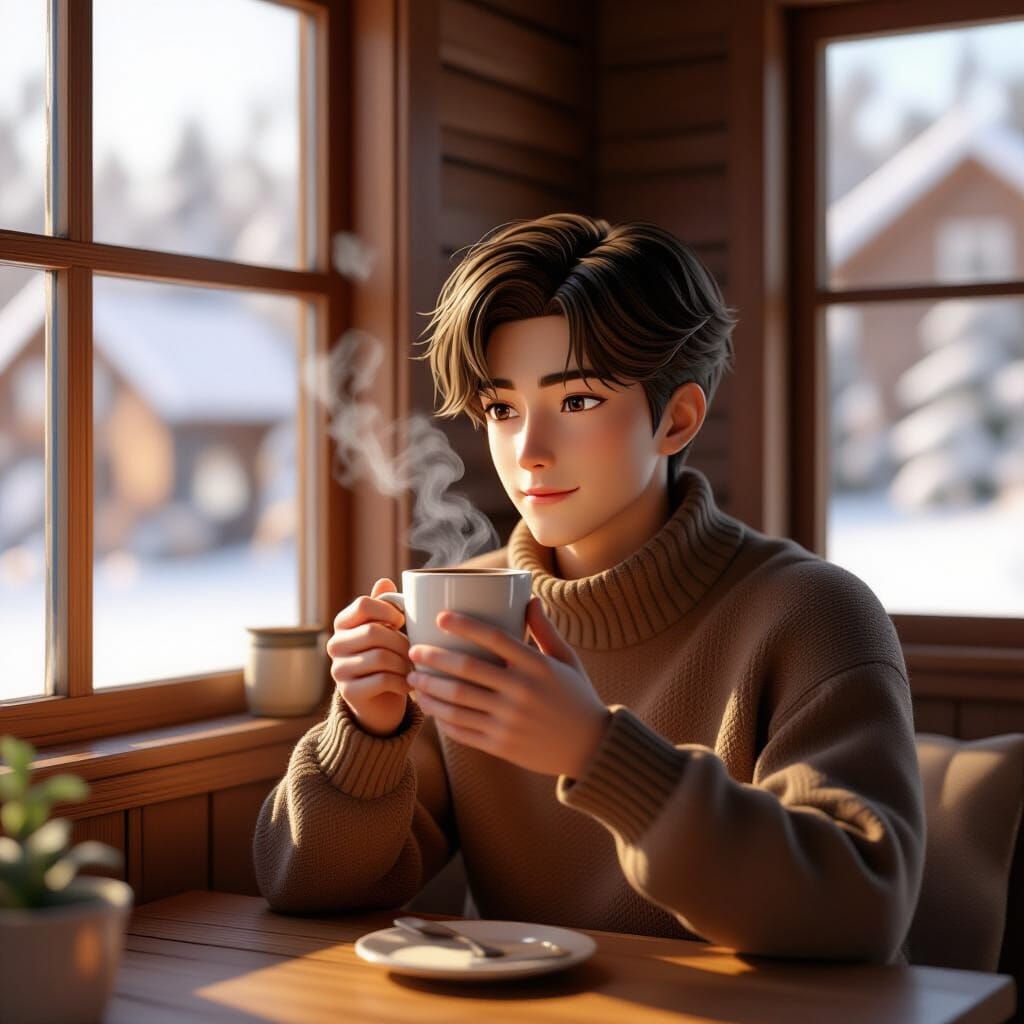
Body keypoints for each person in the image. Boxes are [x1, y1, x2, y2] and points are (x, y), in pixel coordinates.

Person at [253, 213, 924, 964]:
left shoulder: (814, 614)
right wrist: (367, 735)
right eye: (502, 409)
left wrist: (597, 752)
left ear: (677, 418)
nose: (528, 452)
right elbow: (303, 886)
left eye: (575, 402)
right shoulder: (463, 612)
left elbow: (862, 909)